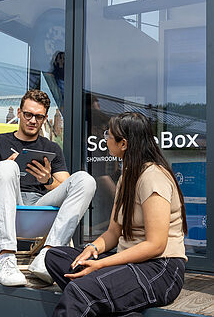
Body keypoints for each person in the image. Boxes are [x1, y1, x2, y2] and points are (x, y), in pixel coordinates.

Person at [45, 112, 188, 316]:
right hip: (128, 260)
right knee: (55, 256)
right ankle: (117, 304)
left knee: (80, 290)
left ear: (124, 144)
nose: (105, 138)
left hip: (160, 268)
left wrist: (101, 264)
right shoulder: (127, 177)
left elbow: (156, 245)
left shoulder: (153, 178)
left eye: (109, 135)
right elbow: (113, 232)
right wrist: (92, 248)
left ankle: (98, 295)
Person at [0, 89, 96, 287]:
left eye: (39, 116)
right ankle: (6, 258)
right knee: (7, 168)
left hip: (39, 208)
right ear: (18, 113)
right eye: (28, 114)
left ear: (44, 118)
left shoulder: (51, 148)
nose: (33, 120)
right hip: (3, 206)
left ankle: (48, 256)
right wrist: (5, 166)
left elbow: (67, 187)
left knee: (85, 180)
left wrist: (47, 180)